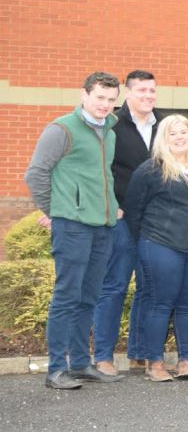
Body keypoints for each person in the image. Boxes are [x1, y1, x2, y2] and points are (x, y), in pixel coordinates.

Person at [25, 72, 124, 389]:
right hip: (73, 227)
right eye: (100, 98)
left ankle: (80, 363)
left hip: (102, 228)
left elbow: (103, 177)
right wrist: (55, 211)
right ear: (84, 95)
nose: (105, 105)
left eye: (111, 100)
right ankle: (56, 369)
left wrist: (112, 204)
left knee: (89, 298)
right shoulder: (62, 129)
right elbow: (36, 174)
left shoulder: (109, 133)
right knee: (67, 297)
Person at [123, 115, 188, 382]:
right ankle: (155, 363)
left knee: (187, 306)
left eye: (184, 131)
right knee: (161, 304)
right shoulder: (151, 169)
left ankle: (185, 362)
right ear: (163, 138)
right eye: (173, 133)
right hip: (160, 245)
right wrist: (145, 244)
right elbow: (133, 212)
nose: (180, 137)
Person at [93, 70, 160, 376]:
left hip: (156, 223)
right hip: (121, 220)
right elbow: (99, 168)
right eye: (142, 90)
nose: (148, 96)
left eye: (152, 91)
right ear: (128, 94)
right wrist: (113, 206)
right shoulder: (113, 124)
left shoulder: (164, 125)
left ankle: (139, 354)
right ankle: (103, 356)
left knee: (148, 288)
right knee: (115, 286)